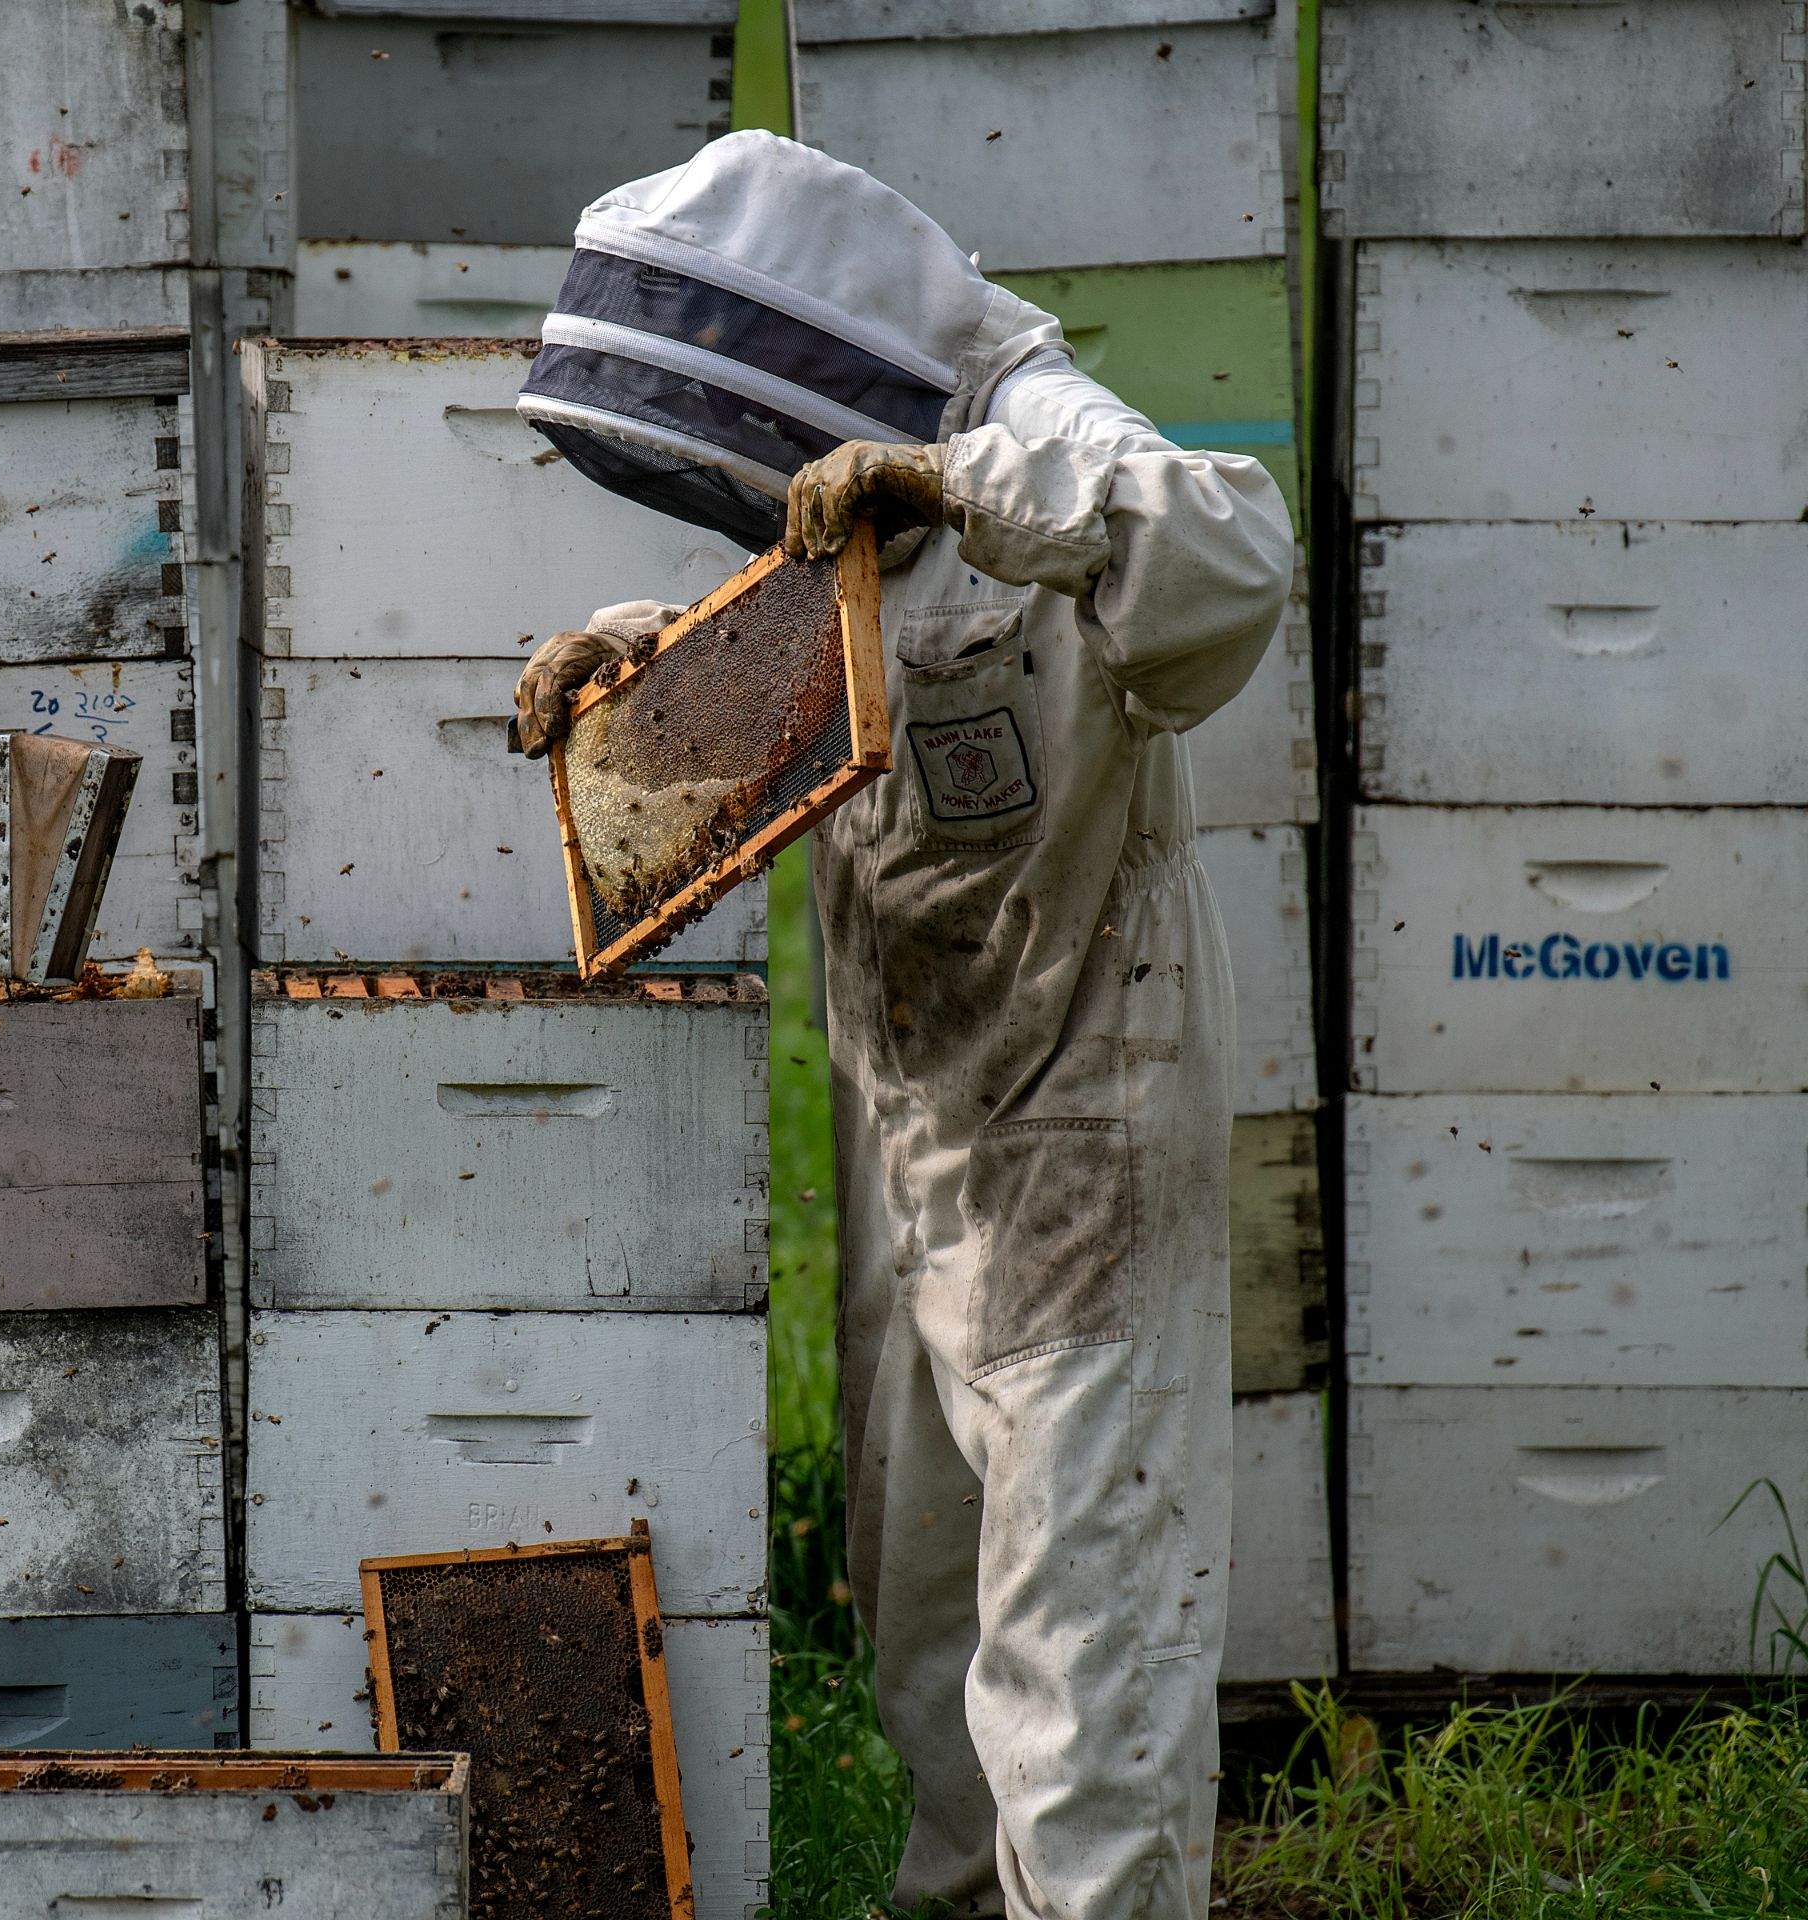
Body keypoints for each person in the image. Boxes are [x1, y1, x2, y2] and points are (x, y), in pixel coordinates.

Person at [509, 131, 1294, 1919]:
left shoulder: (1051, 435)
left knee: (1078, 1687)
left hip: (1082, 1140)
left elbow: (1233, 559)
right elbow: (850, 643)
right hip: (919, 1140)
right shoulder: (852, 485)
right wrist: (639, 661)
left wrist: (971, 483)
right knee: (933, 1661)